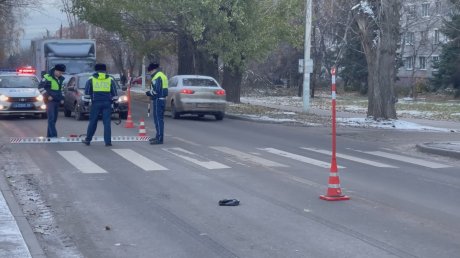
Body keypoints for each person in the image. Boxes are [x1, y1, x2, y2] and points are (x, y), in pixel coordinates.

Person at [81, 63, 118, 146]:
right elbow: (114, 93)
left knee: (93, 122)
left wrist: (86, 103)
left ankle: (88, 140)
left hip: (96, 103)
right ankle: (108, 142)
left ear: (96, 70)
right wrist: (115, 104)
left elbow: (87, 92)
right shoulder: (110, 79)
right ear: (105, 70)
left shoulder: (91, 79)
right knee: (107, 123)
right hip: (107, 103)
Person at [38, 64, 66, 138]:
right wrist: (47, 96)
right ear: (56, 70)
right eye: (60, 72)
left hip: (57, 100)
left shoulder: (61, 79)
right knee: (51, 118)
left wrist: (62, 98)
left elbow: (61, 90)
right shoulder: (47, 77)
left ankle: (49, 136)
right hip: (49, 101)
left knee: (54, 119)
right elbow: (40, 88)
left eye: (62, 73)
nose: (61, 74)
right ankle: (54, 136)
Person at [145, 62, 168, 145]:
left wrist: (149, 93)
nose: (150, 73)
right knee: (159, 119)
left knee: (158, 120)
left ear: (153, 70)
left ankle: (159, 138)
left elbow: (156, 91)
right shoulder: (162, 75)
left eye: (150, 71)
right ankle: (158, 136)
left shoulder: (157, 77)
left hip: (158, 100)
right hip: (162, 99)